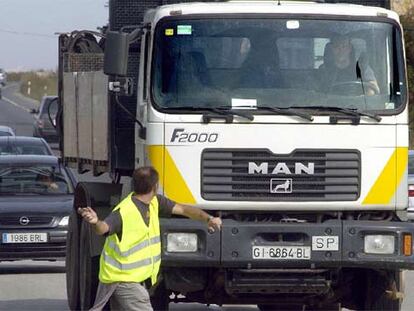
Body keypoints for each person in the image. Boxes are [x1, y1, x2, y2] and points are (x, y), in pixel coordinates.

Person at [78, 166, 222, 311]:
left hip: (122, 278)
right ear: (155, 186)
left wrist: (208, 218)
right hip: (124, 280)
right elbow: (104, 228)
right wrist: (96, 222)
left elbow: (184, 209)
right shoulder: (125, 211)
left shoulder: (155, 202)